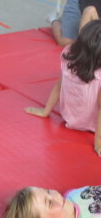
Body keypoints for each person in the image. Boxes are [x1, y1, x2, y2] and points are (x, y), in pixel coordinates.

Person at [24, 19, 101, 156]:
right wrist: (98, 143)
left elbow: (60, 84)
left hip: (70, 117)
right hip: (92, 125)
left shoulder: (70, 55)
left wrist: (45, 111)